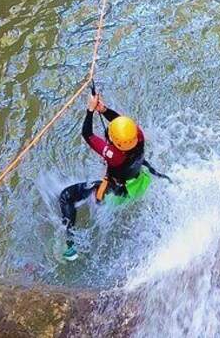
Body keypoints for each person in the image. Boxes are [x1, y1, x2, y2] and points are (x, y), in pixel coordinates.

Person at [59, 93, 151, 261]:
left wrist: (90, 110)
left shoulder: (115, 155)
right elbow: (121, 122)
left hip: (118, 191)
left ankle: (70, 246)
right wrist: (103, 110)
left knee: (66, 196)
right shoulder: (137, 135)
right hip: (138, 181)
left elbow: (87, 134)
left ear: (116, 143)